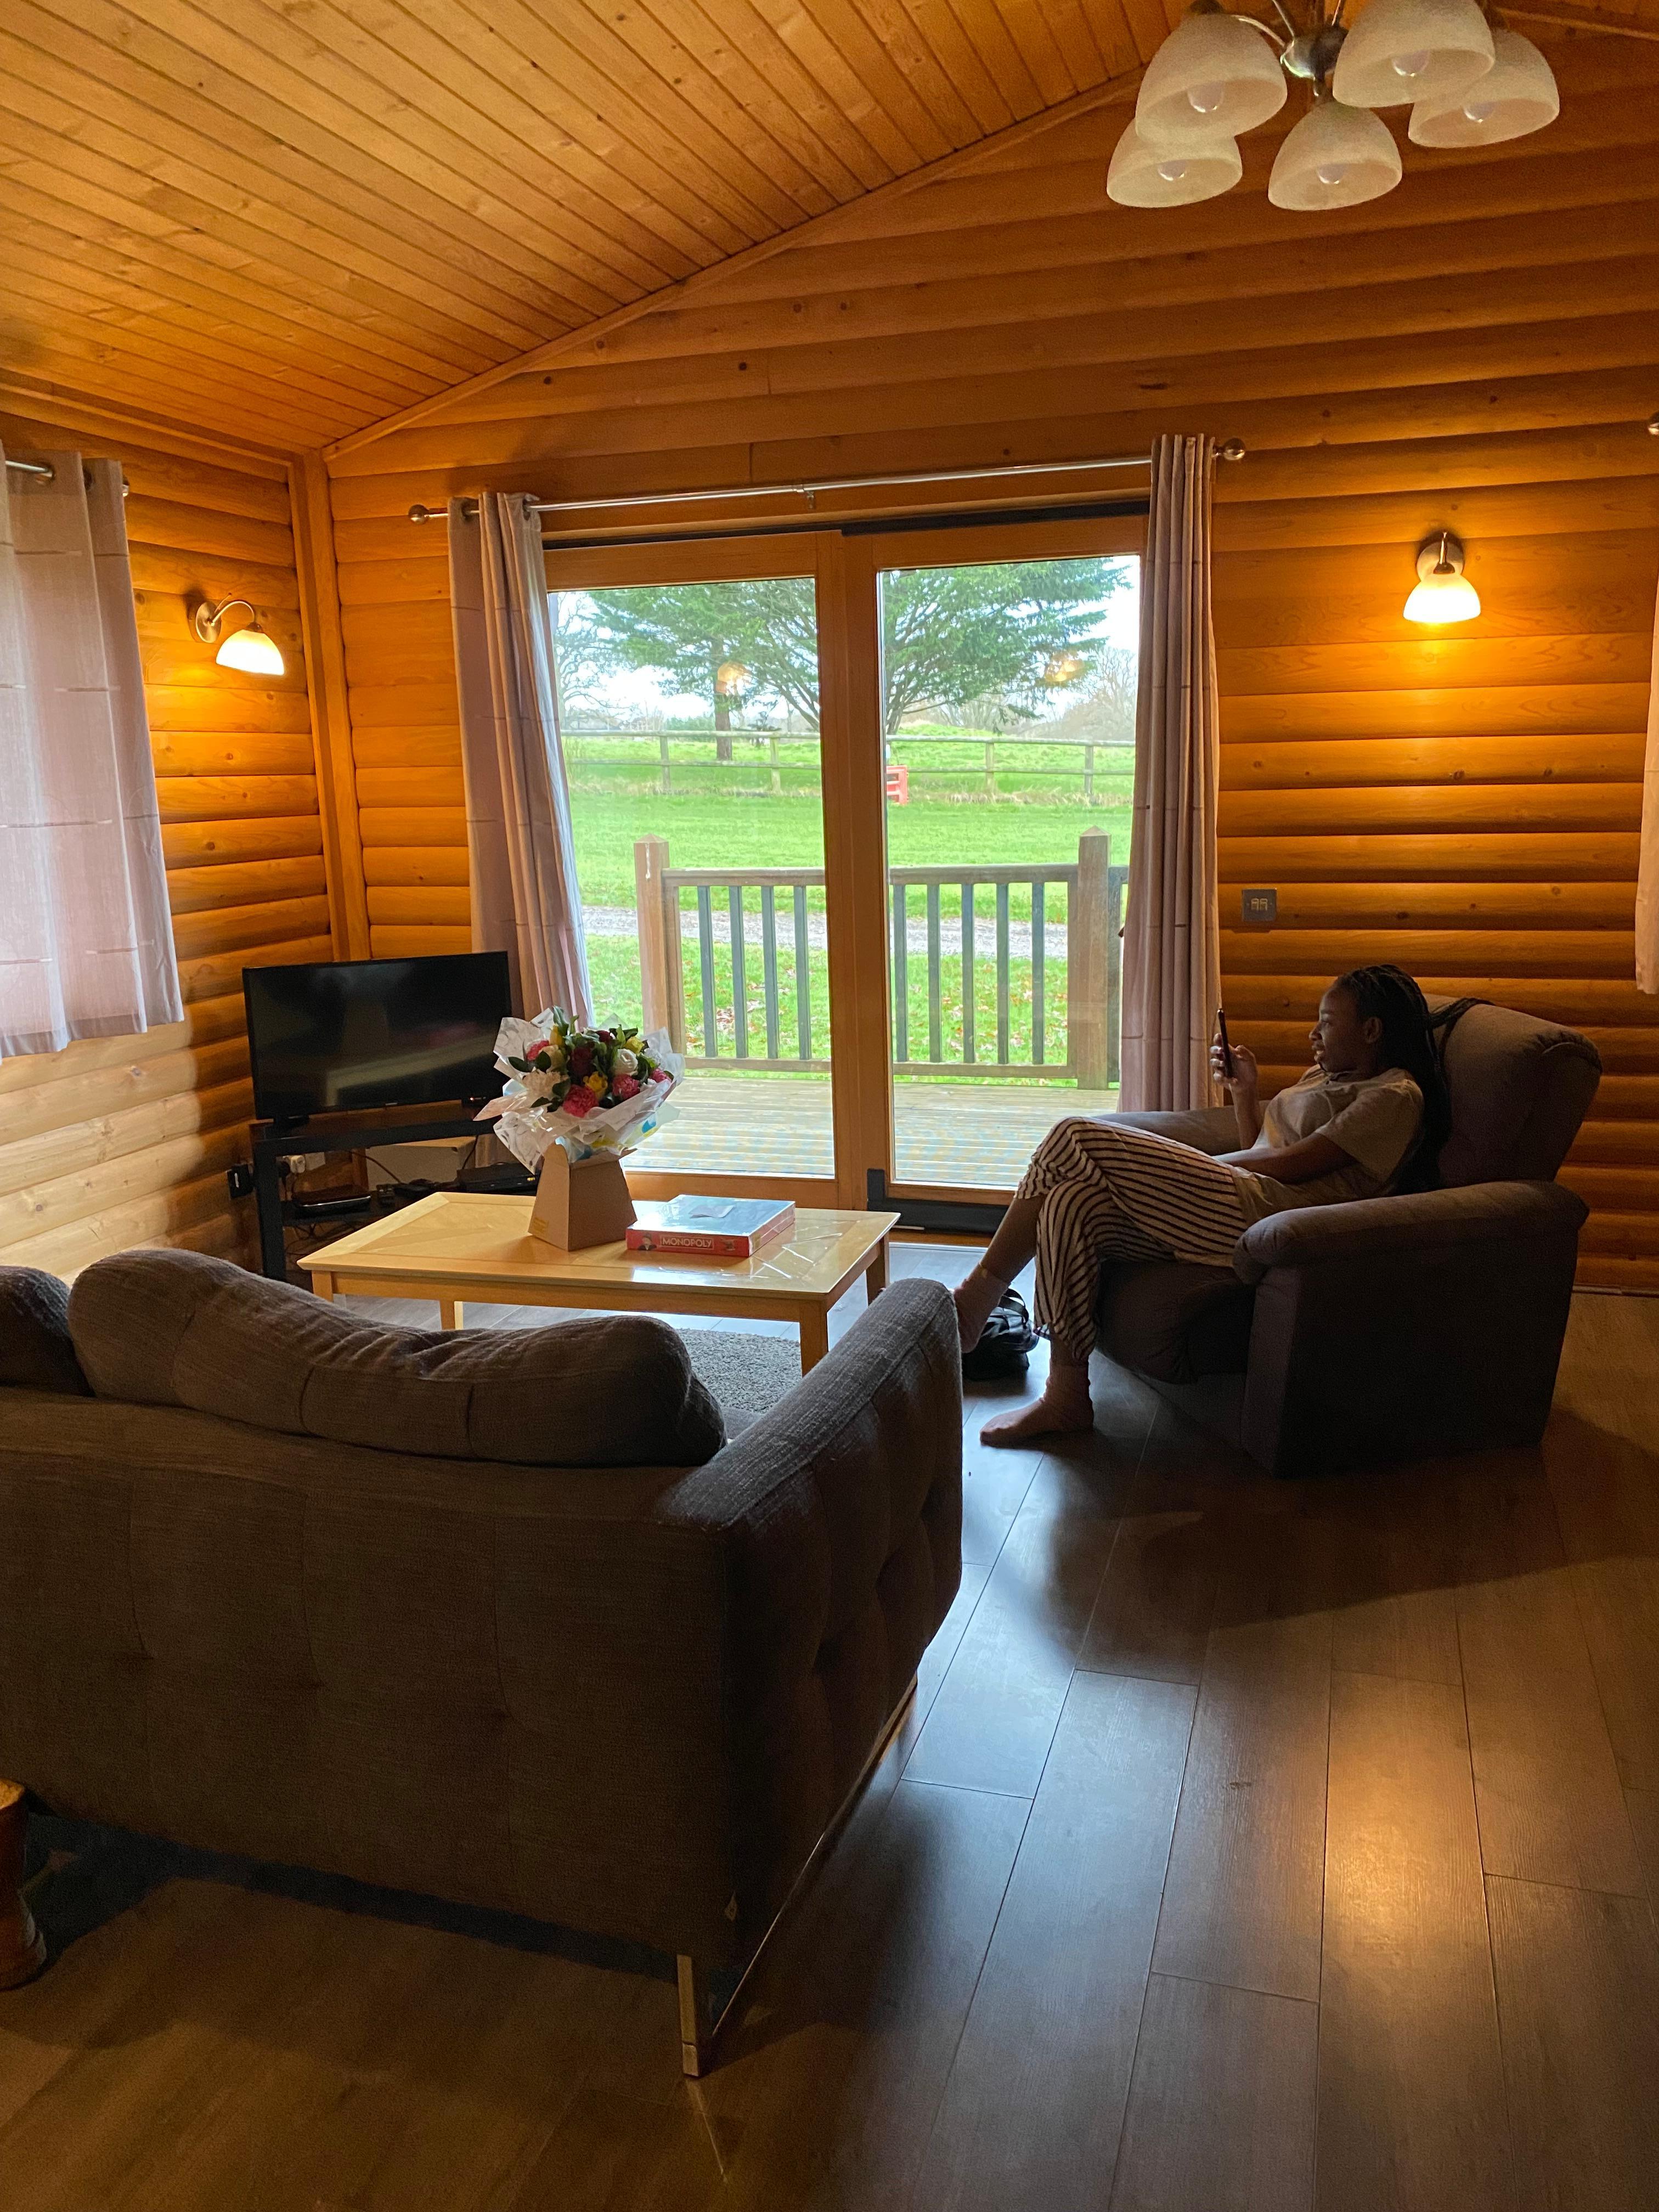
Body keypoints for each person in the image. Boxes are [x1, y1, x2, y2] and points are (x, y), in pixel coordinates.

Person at [952, 964, 1449, 1445]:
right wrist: (1245, 1092)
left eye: (1327, 1021)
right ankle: (1066, 1397)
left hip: (1270, 1216)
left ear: (1371, 1029)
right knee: (1070, 1201)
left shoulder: (1395, 1096)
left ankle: (978, 1295)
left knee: (1072, 1135)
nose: (1314, 1034)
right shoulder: (1323, 1079)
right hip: (1245, 1195)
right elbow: (1263, 1148)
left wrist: (1194, 1166)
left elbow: (1298, 1165)